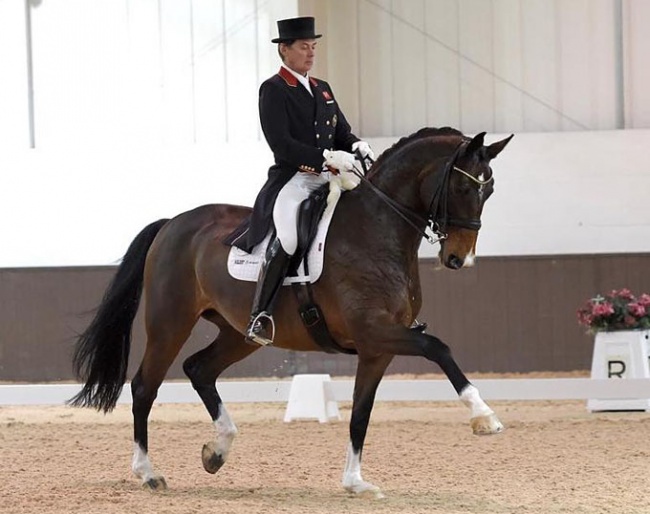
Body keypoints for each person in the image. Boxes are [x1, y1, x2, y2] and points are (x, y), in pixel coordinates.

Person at [224, 16, 374, 346]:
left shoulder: (322, 88)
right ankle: (259, 316)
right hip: (295, 179)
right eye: (304, 47)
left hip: (329, 178)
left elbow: (342, 133)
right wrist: (325, 158)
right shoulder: (274, 90)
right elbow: (282, 145)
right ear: (284, 49)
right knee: (289, 238)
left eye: (314, 46)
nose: (311, 53)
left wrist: (356, 145)